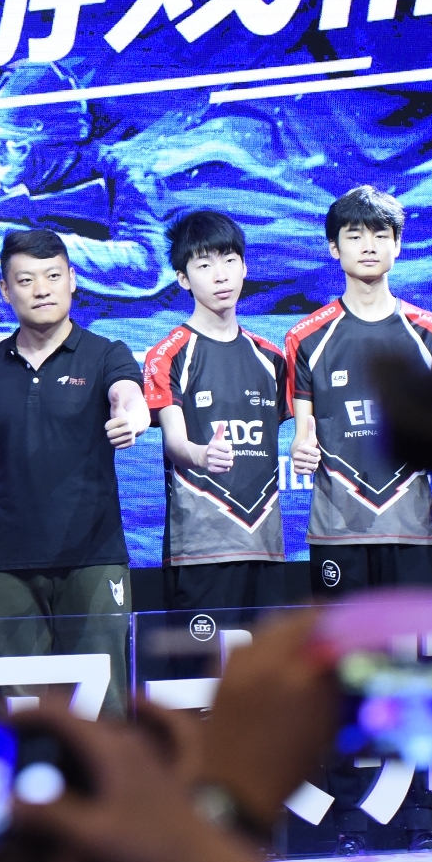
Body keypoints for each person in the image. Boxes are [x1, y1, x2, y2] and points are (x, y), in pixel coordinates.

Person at [0, 228, 151, 676]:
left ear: (72, 280)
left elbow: (128, 396)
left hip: (93, 560)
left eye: (53, 276)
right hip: (5, 567)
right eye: (26, 280)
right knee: (17, 702)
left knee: (102, 699)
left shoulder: (105, 354)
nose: (41, 290)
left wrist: (132, 417)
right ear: (5, 290)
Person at [285, 187, 432, 596]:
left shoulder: (429, 331)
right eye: (355, 235)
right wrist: (301, 450)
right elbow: (303, 435)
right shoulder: (305, 336)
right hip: (338, 527)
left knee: (416, 636)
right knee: (342, 638)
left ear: (397, 245)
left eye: (381, 235)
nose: (369, 246)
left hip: (409, 524)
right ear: (334, 248)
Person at [142, 211, 289, 612]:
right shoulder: (167, 355)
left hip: (265, 544)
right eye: (204, 266)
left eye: (229, 261)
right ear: (183, 279)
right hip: (200, 548)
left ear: (244, 267)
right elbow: (175, 443)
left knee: (270, 655)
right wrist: (201, 454)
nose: (220, 275)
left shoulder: (272, 358)